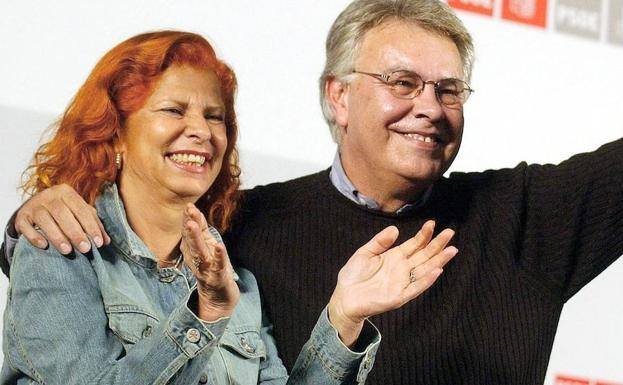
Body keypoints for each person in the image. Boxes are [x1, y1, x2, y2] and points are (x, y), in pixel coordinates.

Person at [2, 1, 622, 384]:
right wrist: (32, 222)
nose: (428, 108)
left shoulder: (529, 218)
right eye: (402, 82)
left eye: (449, 90)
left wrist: (343, 319)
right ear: (339, 96)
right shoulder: (240, 228)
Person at [0, 30, 459, 385]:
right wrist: (204, 315)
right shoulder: (58, 251)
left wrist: (342, 317)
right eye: (174, 111)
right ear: (115, 131)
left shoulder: (236, 282)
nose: (201, 131)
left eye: (214, 116)